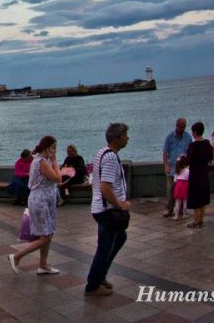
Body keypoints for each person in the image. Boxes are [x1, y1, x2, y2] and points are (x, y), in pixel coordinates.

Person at [84, 122, 129, 297]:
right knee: (105, 247)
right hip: (107, 211)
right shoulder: (110, 158)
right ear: (116, 138)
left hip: (100, 208)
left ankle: (100, 275)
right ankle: (92, 285)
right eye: (125, 135)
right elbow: (105, 187)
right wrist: (120, 205)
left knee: (119, 237)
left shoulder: (101, 153)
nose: (128, 138)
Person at [9, 135, 63, 275]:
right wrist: (55, 161)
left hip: (46, 200)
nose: (56, 151)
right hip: (40, 201)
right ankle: (17, 256)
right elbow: (58, 178)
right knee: (45, 236)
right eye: (54, 148)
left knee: (48, 234)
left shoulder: (40, 160)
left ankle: (43, 265)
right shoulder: (42, 162)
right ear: (48, 147)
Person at [161, 118, 191, 218]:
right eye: (180, 126)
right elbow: (165, 152)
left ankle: (181, 209)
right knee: (170, 188)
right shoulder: (170, 136)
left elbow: (189, 152)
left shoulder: (188, 137)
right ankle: (169, 208)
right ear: (176, 125)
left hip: (183, 168)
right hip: (172, 166)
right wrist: (166, 164)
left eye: (183, 127)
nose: (181, 129)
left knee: (182, 188)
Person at [186, 122, 212, 229]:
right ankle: (201, 220)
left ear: (195, 132)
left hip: (195, 174)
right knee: (203, 198)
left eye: (193, 131)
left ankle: (196, 222)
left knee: (196, 198)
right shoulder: (207, 143)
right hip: (204, 173)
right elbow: (210, 157)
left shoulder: (193, 145)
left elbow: (189, 160)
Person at [172, 154, 190, 221]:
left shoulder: (177, 171)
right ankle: (184, 214)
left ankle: (176, 216)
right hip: (185, 186)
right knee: (185, 201)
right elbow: (189, 179)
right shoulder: (187, 171)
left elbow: (175, 180)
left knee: (177, 202)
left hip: (178, 186)